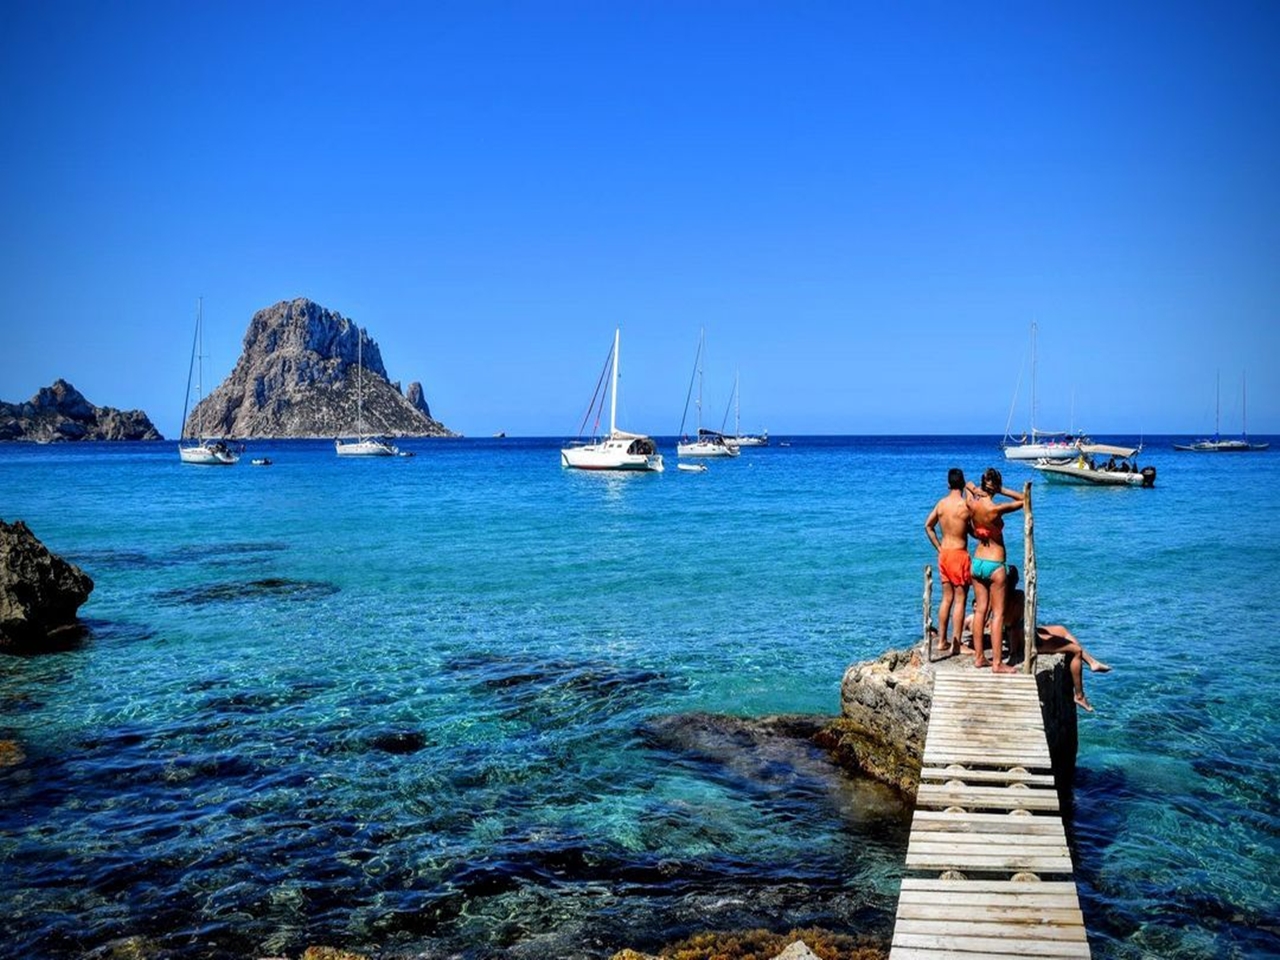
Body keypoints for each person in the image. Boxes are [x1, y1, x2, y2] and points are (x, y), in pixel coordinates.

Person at [967, 566, 1112, 711]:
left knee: (1061, 630)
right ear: (1015, 581)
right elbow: (1021, 624)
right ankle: (1079, 695)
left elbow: (989, 621)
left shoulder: (995, 599)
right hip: (1029, 640)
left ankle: (1092, 662)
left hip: (1018, 637)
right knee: (1076, 651)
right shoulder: (1019, 596)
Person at [965, 467, 1024, 673]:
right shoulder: (995, 509)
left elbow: (967, 484)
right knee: (997, 615)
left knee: (980, 611)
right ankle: (997, 663)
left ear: (983, 484)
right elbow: (1025, 500)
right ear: (996, 486)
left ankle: (979, 657)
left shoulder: (971, 503)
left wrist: (974, 488)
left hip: (977, 562)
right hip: (995, 564)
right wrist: (1002, 490)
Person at [924, 468, 972, 656]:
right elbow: (974, 530)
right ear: (963, 483)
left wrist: (939, 547)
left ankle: (942, 641)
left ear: (948, 484)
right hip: (959, 554)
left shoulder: (941, 504)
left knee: (946, 598)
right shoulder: (965, 505)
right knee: (960, 600)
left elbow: (928, 526)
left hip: (944, 553)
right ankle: (957, 644)